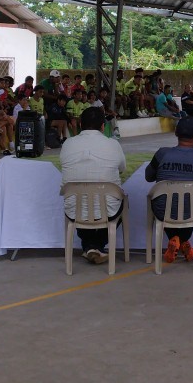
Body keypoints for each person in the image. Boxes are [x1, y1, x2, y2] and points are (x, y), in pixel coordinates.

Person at [144, 115, 193, 264]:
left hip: (163, 211)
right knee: (191, 204)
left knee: (166, 204)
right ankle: (183, 241)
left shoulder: (161, 154)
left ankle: (175, 239)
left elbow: (148, 177)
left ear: (176, 133)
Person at [61, 106, 128, 265]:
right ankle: (96, 245)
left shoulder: (68, 144)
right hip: (108, 209)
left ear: (80, 124)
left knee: (81, 204)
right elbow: (122, 169)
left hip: (74, 208)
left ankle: (90, 246)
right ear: (103, 126)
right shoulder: (113, 144)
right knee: (122, 202)